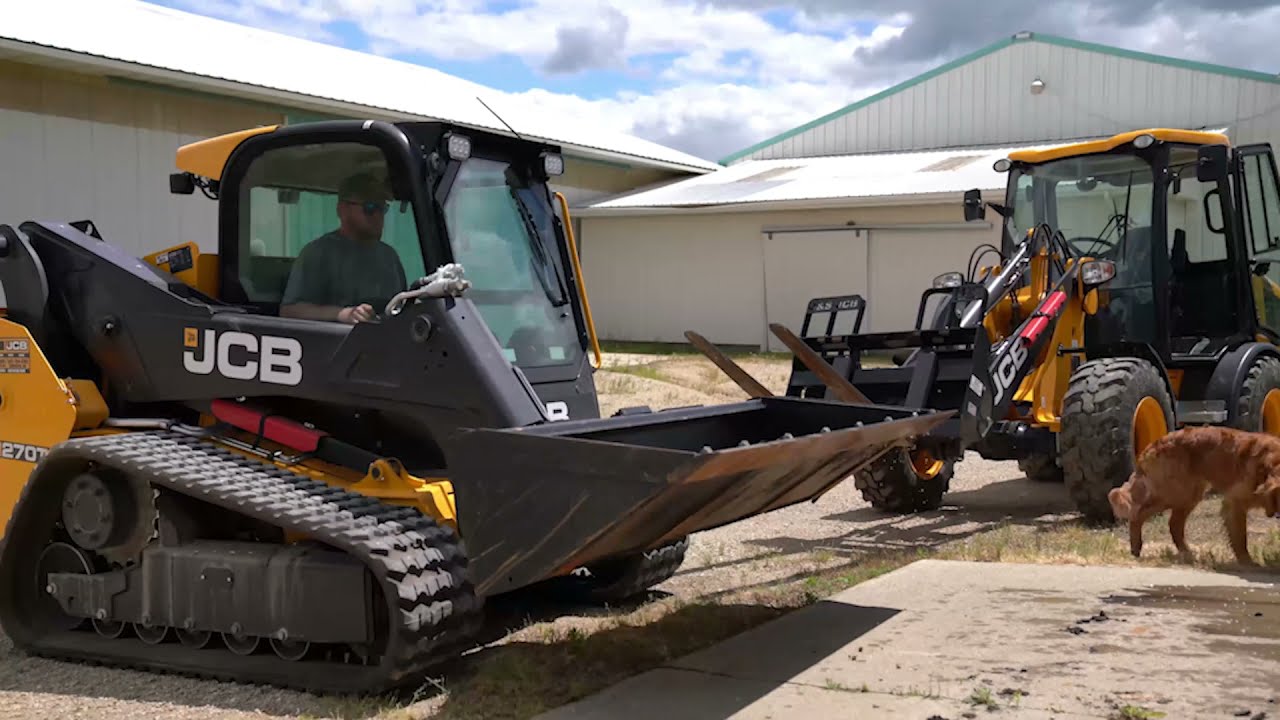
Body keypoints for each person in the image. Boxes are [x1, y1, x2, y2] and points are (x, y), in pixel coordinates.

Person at [279, 172, 408, 324]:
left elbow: (403, 309)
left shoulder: (390, 257)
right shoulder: (319, 253)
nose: (378, 216)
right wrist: (344, 315)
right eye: (370, 207)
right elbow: (289, 311)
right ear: (342, 210)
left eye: (382, 208)